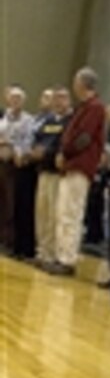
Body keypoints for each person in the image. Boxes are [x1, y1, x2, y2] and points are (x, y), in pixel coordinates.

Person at [50, 68, 108, 276]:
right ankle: (60, 255)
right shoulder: (84, 107)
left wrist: (65, 153)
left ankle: (67, 259)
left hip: (79, 165)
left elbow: (84, 137)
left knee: (71, 212)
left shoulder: (95, 108)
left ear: (82, 84)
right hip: (70, 165)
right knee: (63, 211)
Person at [33, 87, 72, 272]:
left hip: (58, 174)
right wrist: (35, 150)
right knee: (42, 212)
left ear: (69, 101)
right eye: (56, 98)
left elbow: (64, 144)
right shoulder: (47, 121)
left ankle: (54, 254)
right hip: (44, 171)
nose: (58, 102)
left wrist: (47, 152)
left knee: (54, 215)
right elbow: (38, 138)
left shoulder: (70, 121)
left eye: (62, 98)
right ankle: (42, 251)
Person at [0, 85, 36, 258]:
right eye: (12, 98)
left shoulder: (28, 120)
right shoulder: (3, 118)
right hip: (1, 162)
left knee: (11, 203)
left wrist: (15, 149)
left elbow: (29, 141)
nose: (15, 101)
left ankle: (10, 241)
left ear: (23, 101)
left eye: (18, 98)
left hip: (15, 165)